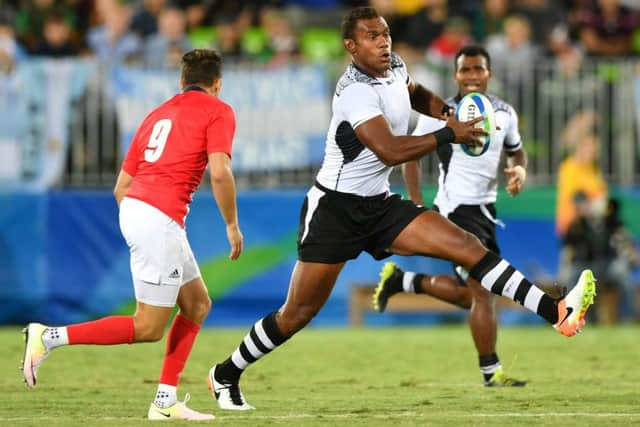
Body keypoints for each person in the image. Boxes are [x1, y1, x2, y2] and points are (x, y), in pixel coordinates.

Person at [206, 7, 596, 411]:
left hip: (379, 203)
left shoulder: (393, 65)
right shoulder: (354, 91)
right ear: (350, 46)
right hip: (335, 211)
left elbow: (414, 93)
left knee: (469, 248)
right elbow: (390, 150)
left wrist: (445, 112)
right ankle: (225, 373)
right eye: (372, 36)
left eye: (386, 33)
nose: (383, 41)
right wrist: (451, 132)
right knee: (296, 314)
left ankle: (558, 312)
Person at [22, 49, 242, 421]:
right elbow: (219, 172)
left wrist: (145, 220)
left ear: (180, 81)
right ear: (217, 83)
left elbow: (120, 187)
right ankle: (48, 337)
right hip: (158, 219)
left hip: (141, 210)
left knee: (197, 304)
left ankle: (165, 402)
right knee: (148, 326)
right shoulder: (218, 110)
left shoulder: (156, 114)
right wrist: (232, 225)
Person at [373, 45, 529, 387]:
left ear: (489, 73)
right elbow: (409, 156)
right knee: (482, 291)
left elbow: (516, 151)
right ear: (455, 75)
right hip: (454, 210)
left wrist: (517, 170)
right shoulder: (441, 113)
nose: (472, 76)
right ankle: (491, 373)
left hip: (486, 212)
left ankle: (403, 281)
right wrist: (415, 202)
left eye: (478, 69)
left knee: (468, 296)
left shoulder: (504, 113)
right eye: (465, 70)